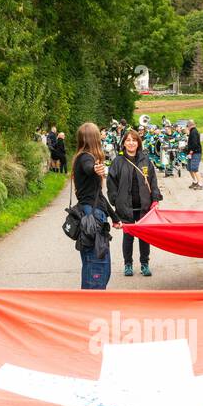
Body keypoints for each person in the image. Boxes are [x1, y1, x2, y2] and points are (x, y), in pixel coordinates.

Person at [108, 127, 160, 278]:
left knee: (145, 237)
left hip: (144, 205)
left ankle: (144, 264)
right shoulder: (117, 161)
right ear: (123, 143)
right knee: (128, 237)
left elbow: (153, 181)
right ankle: (128, 264)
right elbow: (111, 184)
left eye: (134, 140)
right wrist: (115, 201)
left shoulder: (146, 160)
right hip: (126, 206)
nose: (131, 143)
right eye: (128, 140)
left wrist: (155, 199)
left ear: (138, 143)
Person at [70, 122, 116, 289]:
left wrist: (115, 218)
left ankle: (91, 302)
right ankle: (91, 304)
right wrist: (96, 169)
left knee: (98, 263)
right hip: (92, 218)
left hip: (93, 213)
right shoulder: (85, 158)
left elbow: (98, 195)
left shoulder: (83, 156)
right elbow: (89, 167)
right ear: (95, 138)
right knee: (96, 264)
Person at [185, 120, 203, 190]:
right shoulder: (191, 132)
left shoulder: (194, 132)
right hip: (192, 152)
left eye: (187, 126)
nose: (187, 128)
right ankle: (195, 181)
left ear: (189, 125)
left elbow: (195, 144)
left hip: (195, 153)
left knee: (195, 168)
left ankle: (200, 184)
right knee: (189, 168)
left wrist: (190, 152)